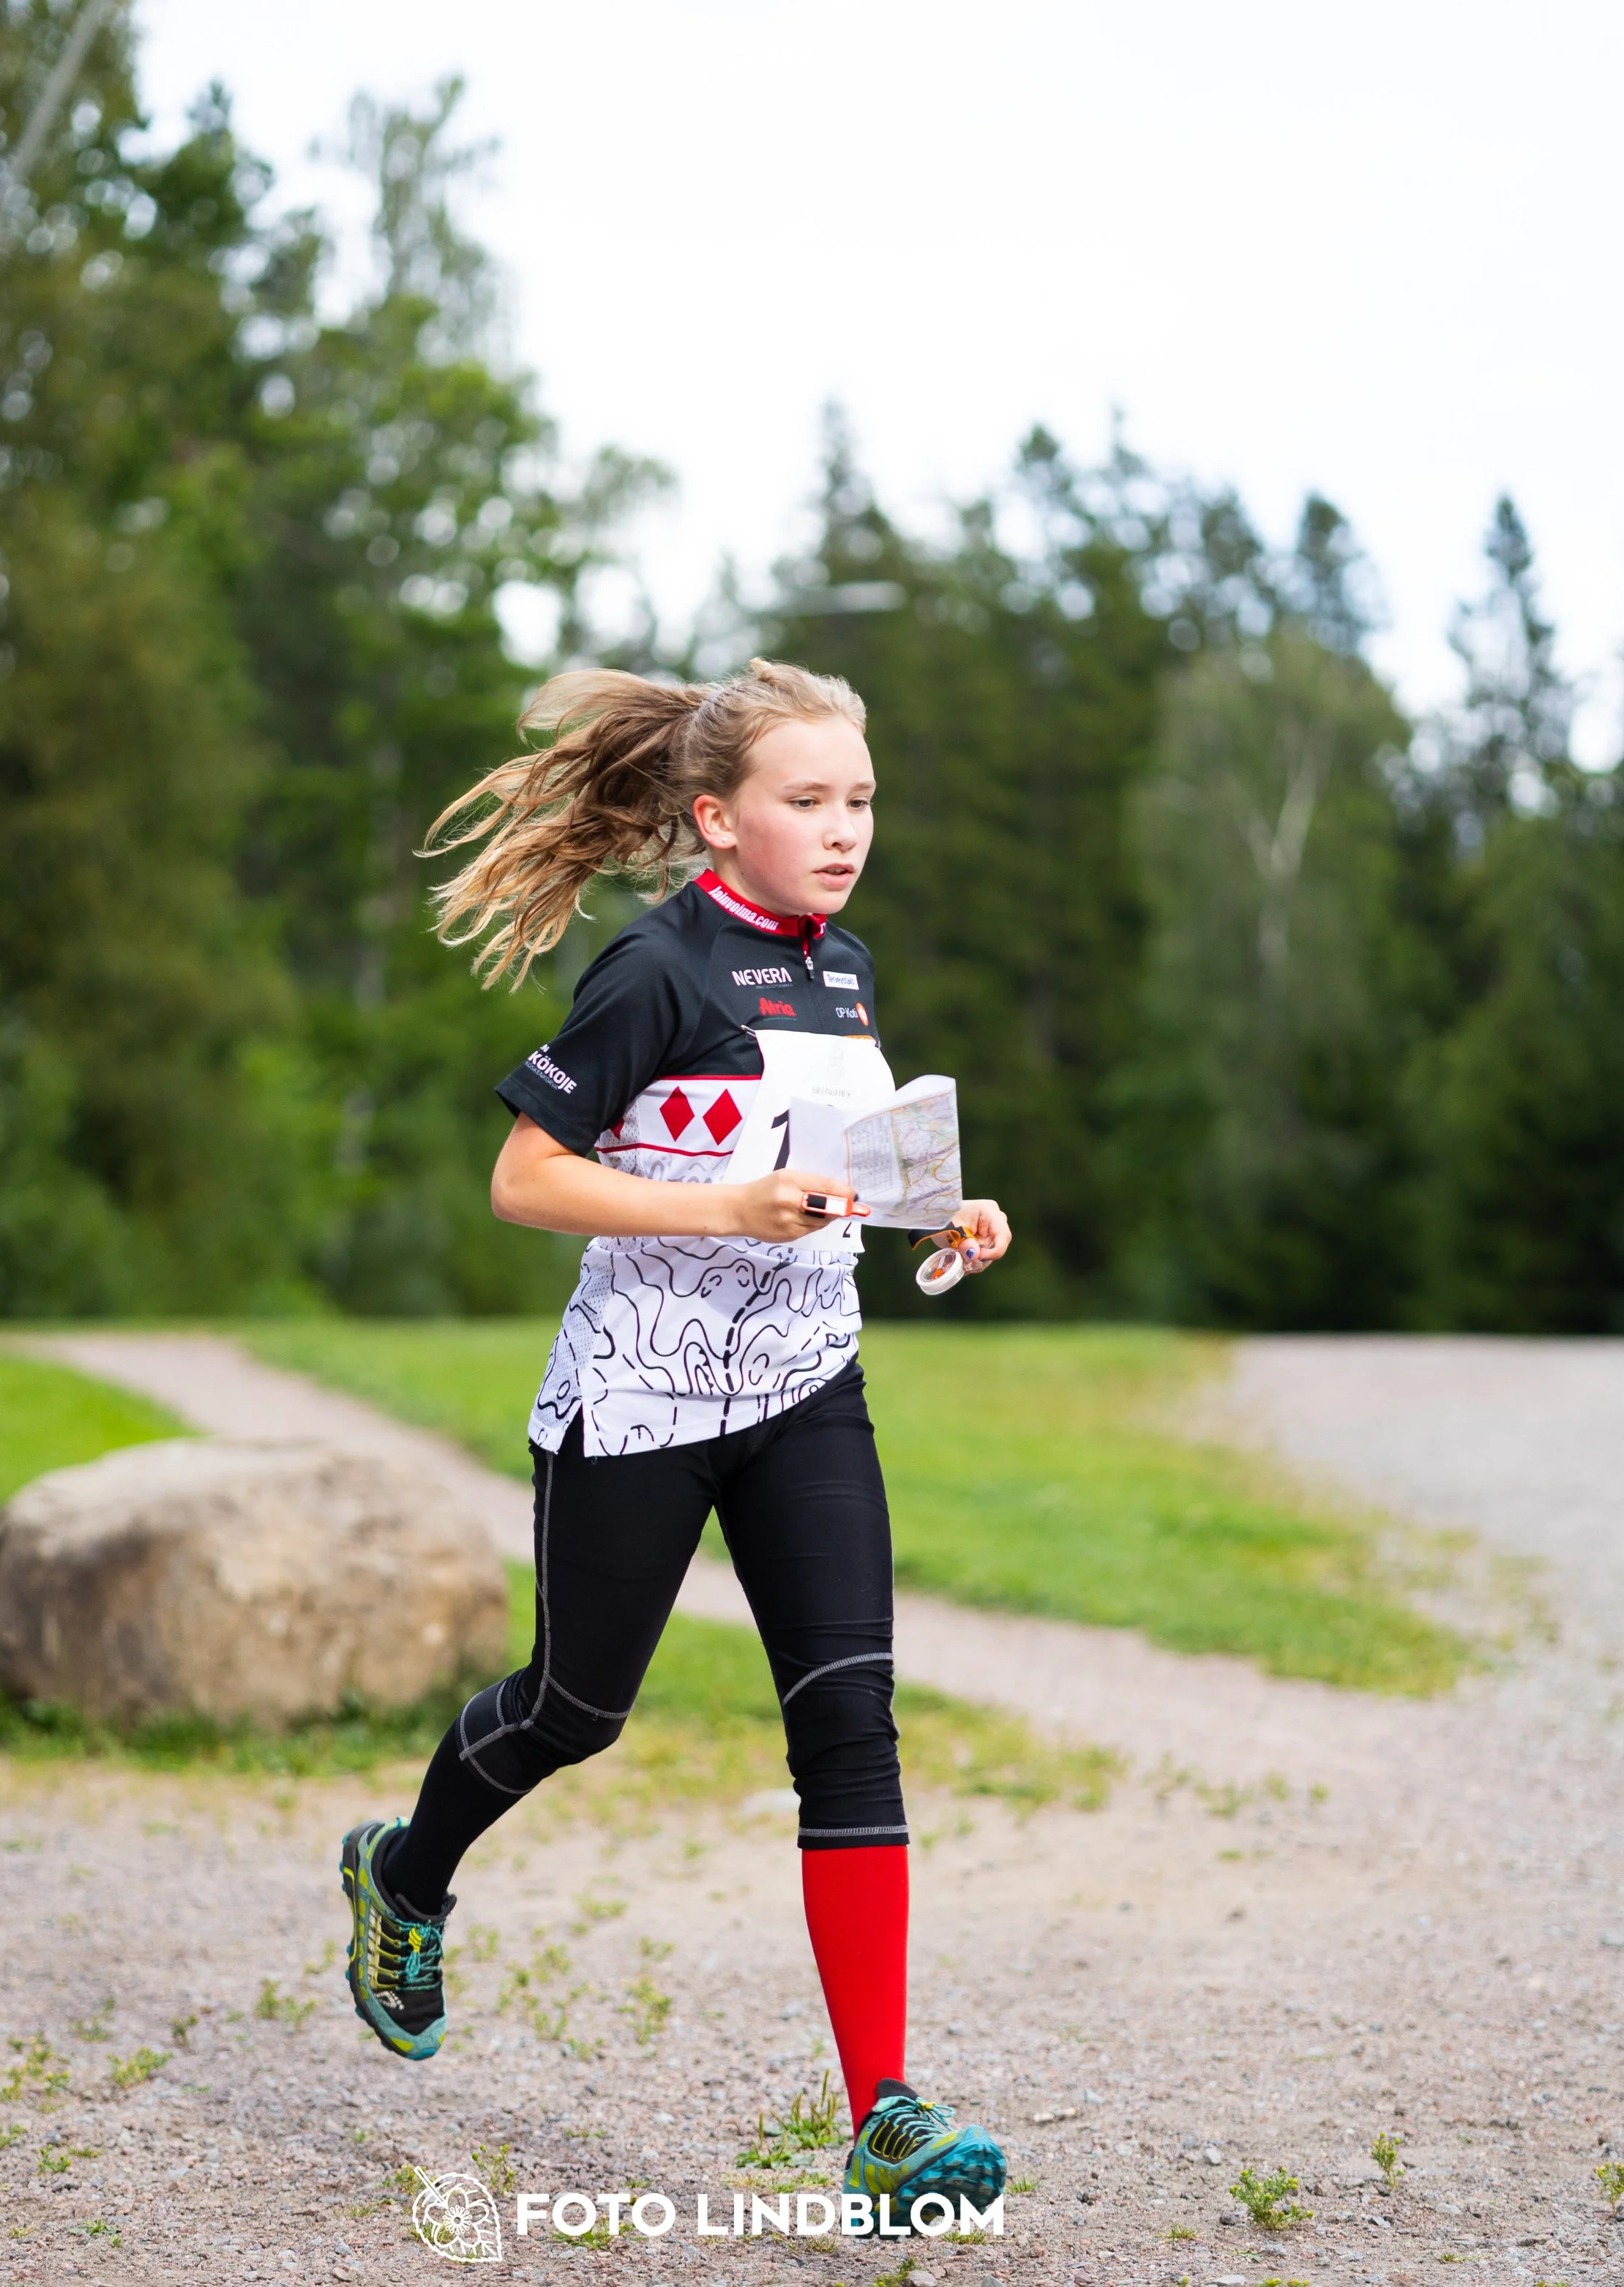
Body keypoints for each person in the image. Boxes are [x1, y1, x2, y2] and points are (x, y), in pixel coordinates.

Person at [340, 660, 1014, 2231]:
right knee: (575, 1709)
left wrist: (943, 1211)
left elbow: (824, 1164)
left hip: (803, 1390)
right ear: (716, 816)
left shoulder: (841, 970)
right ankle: (406, 1871)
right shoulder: (654, 964)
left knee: (850, 1727)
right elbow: (524, 1178)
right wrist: (718, 1208)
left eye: (858, 799)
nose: (842, 829)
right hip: (637, 1398)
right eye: (806, 800)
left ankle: (884, 2119)